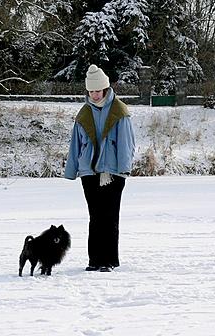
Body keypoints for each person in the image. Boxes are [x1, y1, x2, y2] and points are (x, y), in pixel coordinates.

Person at [64, 64, 135, 272]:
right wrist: (72, 170)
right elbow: (75, 143)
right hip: (89, 172)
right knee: (95, 217)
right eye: (91, 91)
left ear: (105, 88)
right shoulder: (84, 113)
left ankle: (110, 260)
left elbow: (126, 143)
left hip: (112, 172)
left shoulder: (119, 111)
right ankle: (94, 260)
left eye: (98, 90)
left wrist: (123, 170)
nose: (94, 95)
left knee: (110, 217)